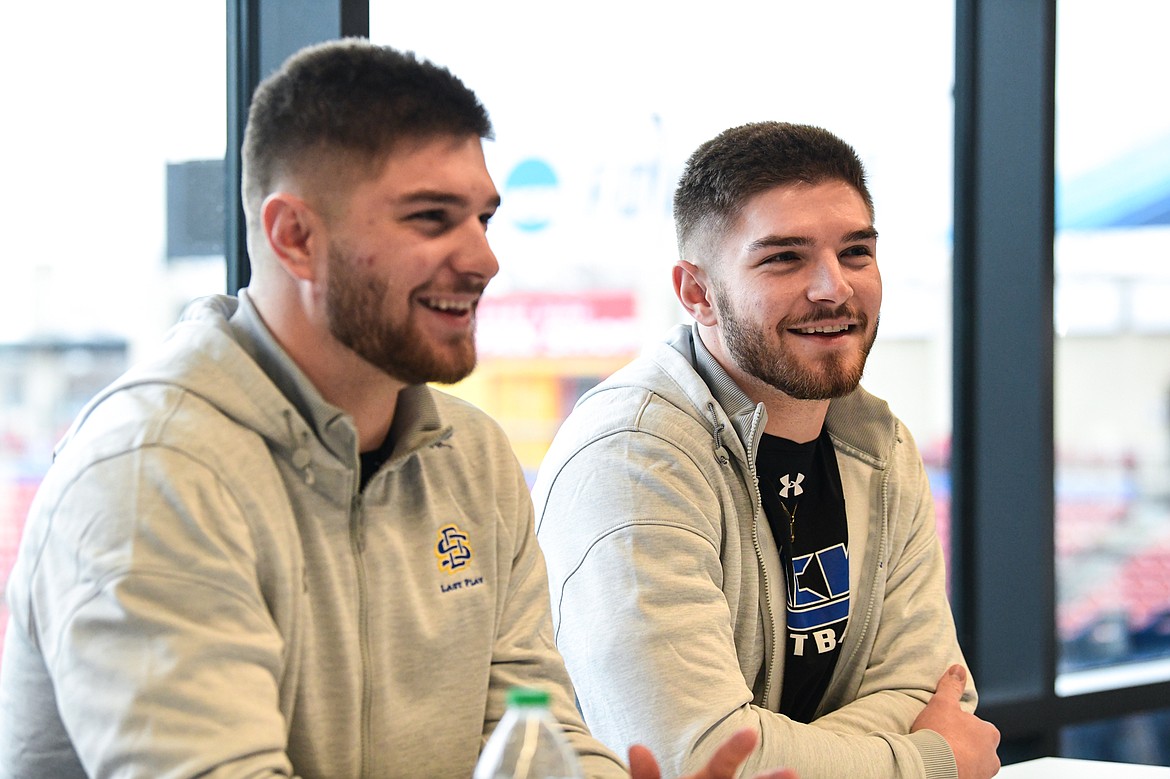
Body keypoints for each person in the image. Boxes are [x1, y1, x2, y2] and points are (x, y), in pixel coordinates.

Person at [0, 40, 794, 779]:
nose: (484, 258)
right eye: (430, 217)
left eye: (482, 217)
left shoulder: (472, 458)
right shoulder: (151, 476)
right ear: (295, 236)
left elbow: (527, 734)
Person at [531, 122, 1002, 779]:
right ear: (697, 293)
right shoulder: (632, 458)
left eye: (856, 252)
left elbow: (939, 693)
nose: (833, 287)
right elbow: (695, 758)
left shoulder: (879, 442)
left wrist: (785, 749)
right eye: (785, 257)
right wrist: (926, 760)